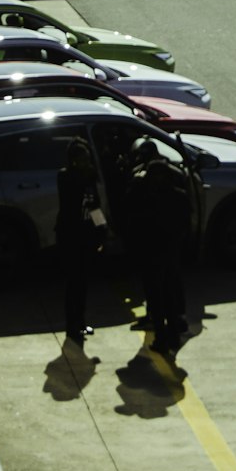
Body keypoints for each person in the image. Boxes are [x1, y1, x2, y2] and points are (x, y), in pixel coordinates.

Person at [118, 139, 190, 357]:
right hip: (170, 252)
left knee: (156, 297)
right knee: (169, 294)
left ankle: (161, 335)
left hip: (151, 254)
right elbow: (187, 222)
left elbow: (129, 217)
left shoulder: (142, 195)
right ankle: (173, 332)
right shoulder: (179, 196)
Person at [55, 139, 103, 348]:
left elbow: (95, 206)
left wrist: (101, 230)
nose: (85, 162)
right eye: (80, 159)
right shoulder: (65, 176)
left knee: (82, 282)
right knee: (73, 283)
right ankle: (71, 324)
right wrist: (84, 177)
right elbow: (70, 202)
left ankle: (81, 321)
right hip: (70, 236)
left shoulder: (89, 178)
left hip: (86, 234)